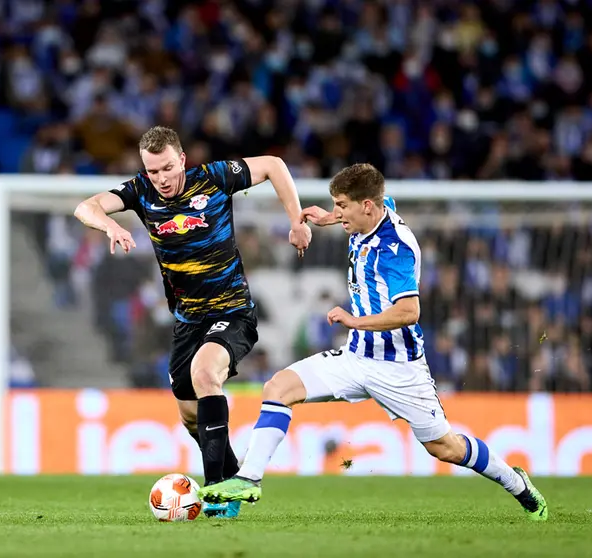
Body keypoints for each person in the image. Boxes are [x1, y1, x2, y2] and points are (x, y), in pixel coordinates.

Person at [198, 163, 548, 521]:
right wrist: (327, 219)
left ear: (366, 206)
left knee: (445, 447)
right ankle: (248, 479)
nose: (338, 212)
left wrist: (354, 321)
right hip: (355, 357)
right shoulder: (378, 209)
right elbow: (380, 201)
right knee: (278, 387)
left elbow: (409, 311)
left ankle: (515, 482)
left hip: (399, 368)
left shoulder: (394, 249)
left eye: (342, 206)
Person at [74, 126, 312, 518]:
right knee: (190, 415)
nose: (162, 179)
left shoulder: (214, 178)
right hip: (187, 321)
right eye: (153, 172)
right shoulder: (140, 192)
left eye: (167, 168)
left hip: (232, 310)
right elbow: (86, 206)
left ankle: (217, 492)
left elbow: (273, 165)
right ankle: (234, 475)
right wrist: (111, 225)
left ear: (182, 159)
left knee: (205, 375)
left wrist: (295, 220)